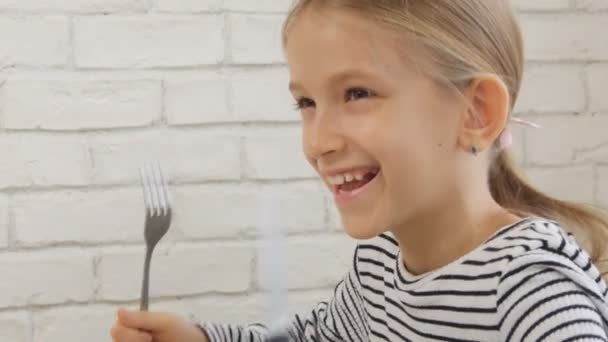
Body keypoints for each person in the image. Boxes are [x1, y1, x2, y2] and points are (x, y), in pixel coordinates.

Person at [110, 1, 608, 341]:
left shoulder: (529, 286)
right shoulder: (381, 262)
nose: (318, 142)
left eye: (357, 94)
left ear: (475, 112)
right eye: (306, 102)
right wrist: (198, 338)